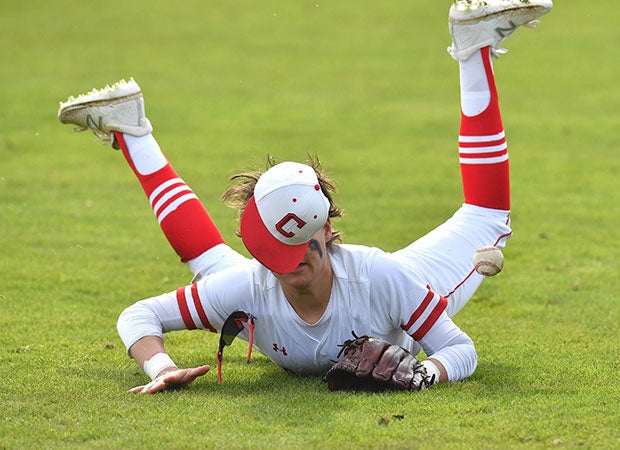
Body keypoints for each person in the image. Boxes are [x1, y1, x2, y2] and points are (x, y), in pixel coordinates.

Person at [58, 0, 553, 394]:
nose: (284, 266)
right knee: (214, 267)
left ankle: (473, 48)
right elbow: (137, 315)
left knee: (489, 216)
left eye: (296, 253)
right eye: (272, 252)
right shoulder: (254, 283)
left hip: (412, 283)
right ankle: (130, 126)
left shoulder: (382, 278)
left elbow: (459, 349)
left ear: (328, 233)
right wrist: (160, 367)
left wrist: (426, 374)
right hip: (257, 295)